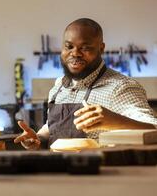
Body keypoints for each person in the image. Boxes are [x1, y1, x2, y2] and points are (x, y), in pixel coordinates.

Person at [14, 18, 157, 150]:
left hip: (98, 174)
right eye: (69, 46)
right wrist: (37, 138)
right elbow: (52, 128)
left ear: (101, 48)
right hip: (57, 172)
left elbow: (154, 129)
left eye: (85, 48)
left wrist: (115, 120)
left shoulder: (120, 87)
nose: (75, 53)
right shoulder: (59, 86)